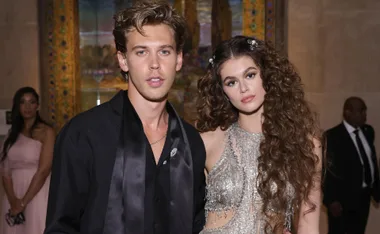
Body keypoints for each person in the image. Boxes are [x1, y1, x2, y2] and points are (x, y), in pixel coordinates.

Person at [44, 2, 206, 234]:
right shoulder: (83, 134)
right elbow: (60, 228)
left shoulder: (191, 142)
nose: (154, 65)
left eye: (164, 51)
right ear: (123, 60)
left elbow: (197, 224)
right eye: (141, 52)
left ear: (178, 59)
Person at [196, 36, 322, 234]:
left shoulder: (304, 145)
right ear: (222, 91)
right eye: (231, 82)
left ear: (267, 74)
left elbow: (309, 225)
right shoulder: (208, 142)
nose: (243, 88)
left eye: (250, 75)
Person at [0, 87, 55, 234]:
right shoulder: (11, 134)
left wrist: (24, 202)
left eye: (32, 102)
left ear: (37, 105)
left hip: (37, 191)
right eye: (23, 102)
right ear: (17, 106)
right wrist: (14, 201)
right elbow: (5, 170)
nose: (28, 107)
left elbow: (44, 170)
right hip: (14, 195)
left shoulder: (46, 132)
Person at [323, 97, 380, 234]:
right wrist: (331, 200)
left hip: (363, 198)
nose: (365, 115)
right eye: (361, 111)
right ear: (347, 113)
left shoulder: (368, 132)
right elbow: (326, 170)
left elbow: (370, 161)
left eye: (365, 111)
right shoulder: (332, 136)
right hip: (342, 202)